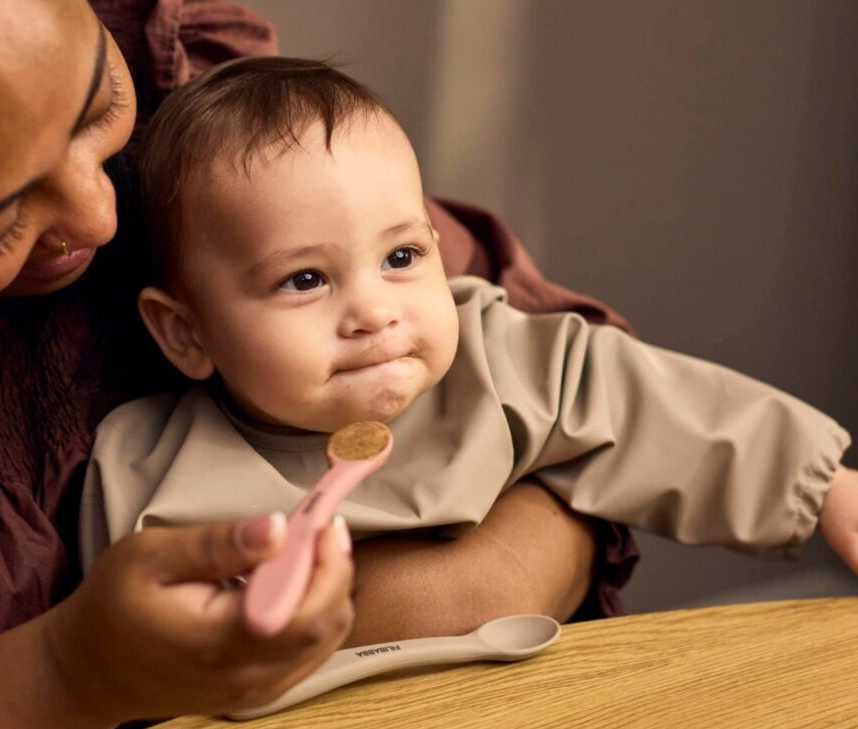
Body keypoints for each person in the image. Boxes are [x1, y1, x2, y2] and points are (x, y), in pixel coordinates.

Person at [0, 2, 637, 729]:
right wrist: (71, 676)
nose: (100, 216)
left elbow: (579, 369)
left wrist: (481, 585)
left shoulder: (180, 69)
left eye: (98, 105)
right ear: (178, 331)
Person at [81, 57, 858, 616]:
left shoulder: (492, 360)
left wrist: (822, 488)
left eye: (402, 257)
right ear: (185, 334)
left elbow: (651, 405)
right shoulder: (147, 474)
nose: (374, 312)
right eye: (306, 280)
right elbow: (129, 657)